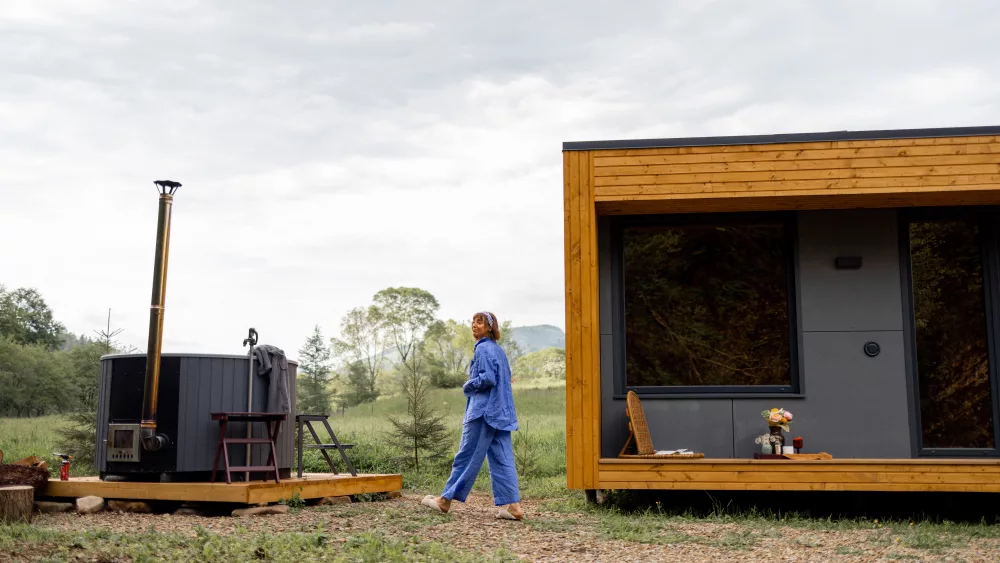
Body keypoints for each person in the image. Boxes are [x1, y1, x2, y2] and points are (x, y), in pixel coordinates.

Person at [420, 311, 523, 520]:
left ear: (490, 327)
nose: (474, 325)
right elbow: (506, 379)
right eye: (474, 322)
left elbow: (488, 379)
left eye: (480, 322)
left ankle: (444, 501)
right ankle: (514, 507)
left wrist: (468, 384)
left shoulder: (483, 349)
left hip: (483, 413)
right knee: (503, 458)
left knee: (466, 456)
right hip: (501, 413)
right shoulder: (499, 351)